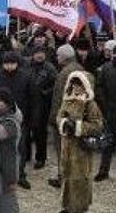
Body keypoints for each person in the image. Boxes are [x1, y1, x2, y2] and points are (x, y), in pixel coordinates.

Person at [56, 71, 104, 213]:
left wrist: (77, 126)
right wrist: (64, 123)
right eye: (75, 83)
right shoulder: (67, 99)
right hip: (66, 147)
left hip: (81, 151)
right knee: (67, 177)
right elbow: (59, 116)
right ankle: (68, 206)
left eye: (80, 84)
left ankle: (79, 208)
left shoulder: (90, 104)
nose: (77, 87)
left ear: (86, 85)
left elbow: (97, 126)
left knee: (80, 180)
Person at [0, 51, 34, 189]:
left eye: (12, 63)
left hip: (20, 118)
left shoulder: (26, 76)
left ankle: (20, 174)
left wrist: (31, 118)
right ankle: (2, 173)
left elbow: (32, 98)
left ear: (17, 63)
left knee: (19, 149)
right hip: (0, 118)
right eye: (6, 63)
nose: (9, 66)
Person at [48, 44, 89, 188]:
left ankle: (64, 178)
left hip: (65, 118)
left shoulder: (65, 73)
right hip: (76, 117)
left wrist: (55, 119)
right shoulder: (80, 69)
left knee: (63, 150)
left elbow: (59, 98)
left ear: (64, 57)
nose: (57, 58)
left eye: (58, 55)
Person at [27, 45, 58, 170]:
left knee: (40, 133)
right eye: (37, 52)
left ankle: (41, 158)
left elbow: (56, 85)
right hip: (28, 103)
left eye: (42, 52)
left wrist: (45, 92)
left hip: (43, 104)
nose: (39, 55)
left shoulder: (50, 68)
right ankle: (26, 155)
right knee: (26, 131)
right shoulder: (27, 66)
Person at [94, 39, 116, 181]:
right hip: (110, 110)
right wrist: (105, 103)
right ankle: (103, 170)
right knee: (107, 142)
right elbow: (99, 87)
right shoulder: (106, 68)